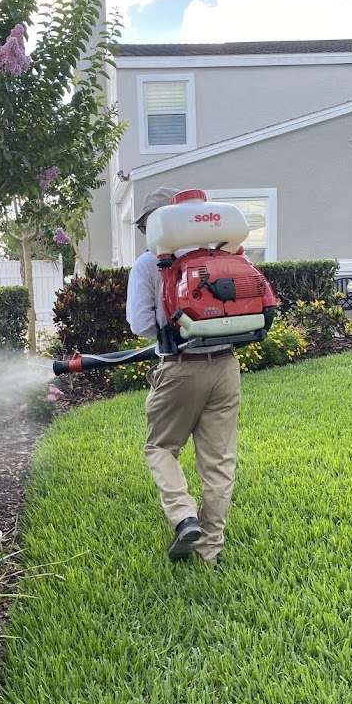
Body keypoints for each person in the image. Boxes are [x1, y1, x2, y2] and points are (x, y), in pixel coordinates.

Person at [126, 187, 242, 568]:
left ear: (154, 224)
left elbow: (141, 324)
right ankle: (210, 551)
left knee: (160, 448)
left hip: (178, 369)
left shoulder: (149, 264)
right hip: (226, 367)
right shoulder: (221, 253)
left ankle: (183, 516)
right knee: (219, 463)